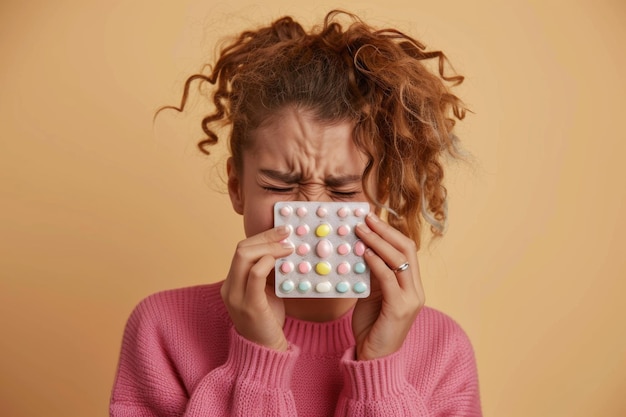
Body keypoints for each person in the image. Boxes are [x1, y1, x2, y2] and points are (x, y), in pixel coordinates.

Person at [110, 9, 481, 417]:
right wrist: (258, 361)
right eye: (280, 186)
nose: (313, 213)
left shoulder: (444, 350)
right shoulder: (162, 331)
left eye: (342, 190)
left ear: (383, 193)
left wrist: (380, 372)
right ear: (237, 187)